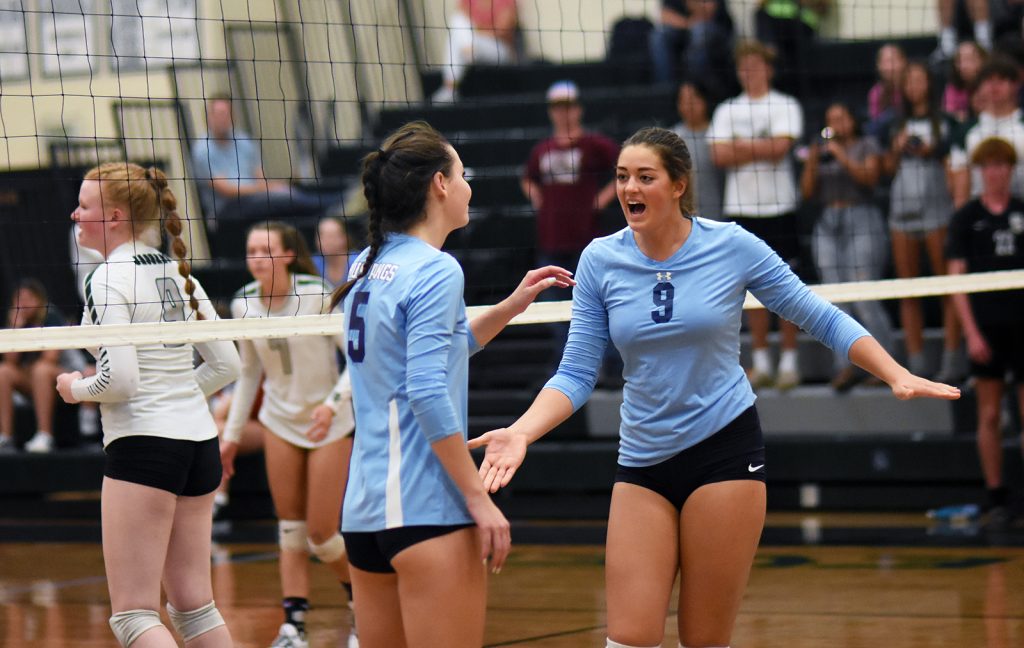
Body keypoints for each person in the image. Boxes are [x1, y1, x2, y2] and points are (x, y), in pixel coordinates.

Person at [470, 126, 961, 648]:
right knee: (628, 638)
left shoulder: (731, 246)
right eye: (621, 178)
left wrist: (896, 373)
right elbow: (575, 372)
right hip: (642, 460)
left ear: (678, 184)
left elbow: (819, 315)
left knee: (704, 639)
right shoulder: (600, 260)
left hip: (724, 454)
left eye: (645, 177)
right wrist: (522, 431)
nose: (629, 189)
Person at [330, 121, 573, 648]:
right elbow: (425, 390)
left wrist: (509, 307)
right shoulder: (437, 269)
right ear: (439, 185)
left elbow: (431, 355)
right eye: (463, 175)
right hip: (428, 511)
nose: (469, 187)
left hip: (364, 516)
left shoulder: (365, 265)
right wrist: (479, 500)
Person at [55, 162, 241, 647]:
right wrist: (175, 394)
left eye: (86, 206)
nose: (75, 214)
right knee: (195, 608)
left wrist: (74, 388)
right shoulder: (178, 271)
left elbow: (120, 380)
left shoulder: (106, 278)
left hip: (145, 449)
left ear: (114, 216)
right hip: (199, 444)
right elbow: (227, 366)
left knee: (134, 616)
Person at [220, 221, 356, 648]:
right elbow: (247, 374)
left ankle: (362, 603)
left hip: (329, 421)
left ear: (287, 255)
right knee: (290, 530)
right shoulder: (243, 305)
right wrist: (231, 435)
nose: (256, 258)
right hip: (280, 421)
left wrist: (333, 402)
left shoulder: (316, 294)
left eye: (265, 250)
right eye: (251, 250)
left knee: (321, 532)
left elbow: (356, 358)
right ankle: (293, 625)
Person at [710, 40, 804, 390]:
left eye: (755, 64)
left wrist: (741, 147)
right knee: (748, 290)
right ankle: (762, 362)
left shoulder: (785, 105)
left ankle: (790, 363)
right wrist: (761, 148)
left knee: (787, 287)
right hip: (741, 209)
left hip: (780, 207)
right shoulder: (726, 109)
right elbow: (718, 156)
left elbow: (781, 149)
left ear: (768, 68)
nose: (748, 71)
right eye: (743, 65)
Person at [947, 136, 1024, 530]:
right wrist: (971, 334)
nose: (995, 172)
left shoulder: (1021, 210)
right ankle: (997, 496)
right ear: (979, 171)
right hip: (987, 331)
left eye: (1001, 165)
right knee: (990, 413)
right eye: (988, 165)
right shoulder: (966, 217)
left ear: (1010, 169)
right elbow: (955, 283)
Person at [801, 103, 894, 391]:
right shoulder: (820, 150)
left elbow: (870, 179)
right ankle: (845, 367)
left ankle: (884, 366)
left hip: (862, 216)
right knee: (834, 299)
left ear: (852, 121)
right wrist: (814, 160)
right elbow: (806, 192)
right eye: (830, 120)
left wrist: (842, 156)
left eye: (841, 118)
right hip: (829, 221)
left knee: (864, 296)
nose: (836, 125)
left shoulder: (867, 144)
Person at [883, 61, 964, 381]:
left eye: (920, 79)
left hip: (936, 210)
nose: (915, 86)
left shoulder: (943, 122)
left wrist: (930, 150)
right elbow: (887, 170)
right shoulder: (895, 124)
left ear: (930, 84)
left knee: (948, 287)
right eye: (909, 81)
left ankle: (952, 359)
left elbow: (951, 163)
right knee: (908, 290)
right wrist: (897, 147)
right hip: (901, 211)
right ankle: (916, 363)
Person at [522, 80, 619, 278]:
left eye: (567, 107)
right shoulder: (542, 148)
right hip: (552, 238)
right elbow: (527, 178)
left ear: (578, 109)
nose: (563, 113)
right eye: (557, 108)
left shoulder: (595, 144)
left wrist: (602, 199)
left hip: (586, 236)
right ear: (550, 111)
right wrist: (537, 198)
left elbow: (624, 168)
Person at [191, 94, 338, 224]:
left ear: (232, 116)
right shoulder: (203, 150)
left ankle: (333, 209)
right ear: (209, 117)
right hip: (229, 209)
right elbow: (227, 191)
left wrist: (271, 188)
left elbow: (259, 176)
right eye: (218, 114)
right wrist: (267, 189)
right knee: (282, 198)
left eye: (226, 114)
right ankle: (335, 204)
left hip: (256, 197)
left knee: (289, 192)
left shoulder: (243, 141)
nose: (222, 119)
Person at [0, 279, 72, 453]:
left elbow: (51, 358)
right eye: (19, 299)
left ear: (39, 300)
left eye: (27, 299)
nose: (22, 304)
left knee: (41, 369)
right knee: (3, 371)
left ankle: (45, 435)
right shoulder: (18, 320)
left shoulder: (51, 315)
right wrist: (16, 329)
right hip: (34, 380)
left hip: (66, 377)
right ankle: (6, 437)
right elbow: (11, 361)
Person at [950, 57, 1024, 208]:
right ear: (980, 87)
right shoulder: (965, 131)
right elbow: (960, 187)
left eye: (1001, 80)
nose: (994, 86)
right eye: (989, 80)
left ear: (1015, 85)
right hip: (980, 218)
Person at [432, 0, 519, 103]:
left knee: (459, 38)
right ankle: (468, 53)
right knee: (457, 22)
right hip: (472, 42)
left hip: (501, 49)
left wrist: (476, 30)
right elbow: (461, 20)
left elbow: (502, 30)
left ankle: (449, 88)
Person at [648, 0, 734, 89]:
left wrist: (693, 4)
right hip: (685, 26)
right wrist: (688, 24)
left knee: (699, 31)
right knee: (659, 36)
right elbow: (665, 16)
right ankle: (665, 89)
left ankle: (697, 89)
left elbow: (708, 13)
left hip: (715, 29)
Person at [671, 80, 723, 220]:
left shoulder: (720, 135)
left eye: (693, 99)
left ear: (705, 100)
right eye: (683, 100)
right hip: (684, 218)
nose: (689, 106)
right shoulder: (671, 138)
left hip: (718, 215)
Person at [944, 40, 989, 122]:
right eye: (959, 61)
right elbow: (950, 113)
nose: (963, 66)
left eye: (969, 60)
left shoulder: (991, 83)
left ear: (983, 60)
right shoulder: (953, 86)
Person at [313, 216, 357, 288]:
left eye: (331, 236)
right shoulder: (314, 263)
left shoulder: (358, 261)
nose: (326, 241)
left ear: (344, 238)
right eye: (321, 236)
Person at [868, 43, 908, 121]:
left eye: (893, 60)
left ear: (904, 61)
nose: (890, 67)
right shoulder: (876, 92)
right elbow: (876, 125)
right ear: (878, 66)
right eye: (885, 62)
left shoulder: (913, 86)